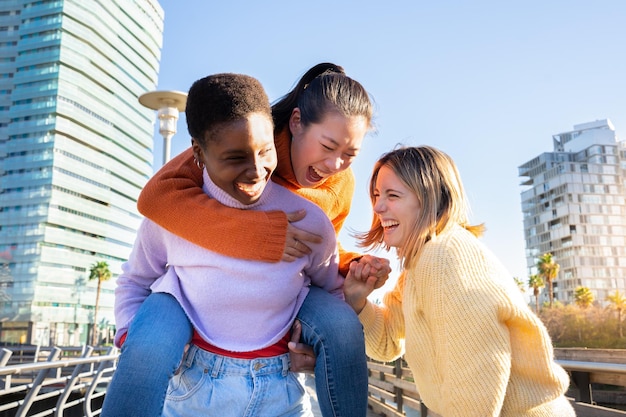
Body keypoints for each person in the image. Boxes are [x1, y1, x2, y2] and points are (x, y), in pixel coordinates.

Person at [109, 63, 390, 417]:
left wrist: (353, 270)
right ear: (295, 123)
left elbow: (322, 254)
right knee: (151, 333)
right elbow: (154, 202)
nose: (336, 164)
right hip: (198, 322)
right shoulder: (241, 129)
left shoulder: (334, 190)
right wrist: (259, 234)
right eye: (328, 146)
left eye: (350, 155)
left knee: (340, 324)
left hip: (283, 319)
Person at [343, 146, 576, 417]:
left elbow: (477, 371)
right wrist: (359, 301)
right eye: (376, 195)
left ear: (430, 199)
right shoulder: (417, 267)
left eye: (392, 195)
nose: (378, 206)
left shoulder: (444, 255)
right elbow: (387, 345)